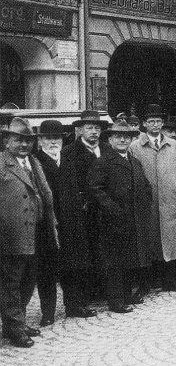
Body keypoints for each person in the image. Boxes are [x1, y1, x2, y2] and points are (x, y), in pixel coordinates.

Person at [0, 118, 56, 348]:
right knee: (11, 283)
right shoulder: (2, 164)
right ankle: (15, 330)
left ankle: (16, 323)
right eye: (18, 140)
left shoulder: (34, 162)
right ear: (6, 141)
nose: (23, 145)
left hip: (37, 232)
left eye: (27, 141)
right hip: (10, 235)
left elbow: (44, 194)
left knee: (28, 281)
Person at [88, 120, 153, 313]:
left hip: (134, 219)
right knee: (114, 262)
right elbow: (95, 189)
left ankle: (126, 295)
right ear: (110, 139)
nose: (123, 140)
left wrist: (145, 203)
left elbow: (145, 185)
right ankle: (115, 301)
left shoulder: (134, 160)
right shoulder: (103, 161)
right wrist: (114, 210)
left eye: (126, 136)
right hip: (113, 221)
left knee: (129, 259)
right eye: (118, 136)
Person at [129, 107, 176, 292]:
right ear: (144, 124)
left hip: (171, 200)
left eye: (158, 121)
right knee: (149, 240)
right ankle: (147, 282)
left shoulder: (173, 145)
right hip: (148, 201)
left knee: (171, 240)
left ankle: (169, 280)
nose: (155, 125)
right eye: (151, 122)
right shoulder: (135, 146)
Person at [59, 110, 109, 318]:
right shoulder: (69, 152)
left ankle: (101, 291)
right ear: (79, 130)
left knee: (102, 250)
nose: (94, 132)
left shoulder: (107, 150)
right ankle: (81, 298)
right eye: (89, 127)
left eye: (97, 128)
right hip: (83, 211)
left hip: (104, 210)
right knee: (82, 253)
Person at [32, 120, 70, 326]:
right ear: (40, 140)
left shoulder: (68, 159)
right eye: (48, 138)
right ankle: (48, 312)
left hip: (69, 221)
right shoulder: (35, 161)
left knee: (71, 265)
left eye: (56, 138)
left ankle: (73, 305)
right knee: (47, 270)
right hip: (46, 222)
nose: (53, 142)